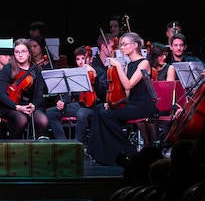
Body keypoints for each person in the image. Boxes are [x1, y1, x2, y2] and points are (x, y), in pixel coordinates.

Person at [86, 31, 156, 166]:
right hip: (131, 103)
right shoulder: (129, 64)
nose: (121, 48)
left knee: (106, 115)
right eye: (121, 45)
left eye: (124, 44)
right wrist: (114, 103)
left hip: (142, 106)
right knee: (100, 109)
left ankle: (129, 150)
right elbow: (125, 93)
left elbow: (128, 85)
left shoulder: (144, 63)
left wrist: (118, 65)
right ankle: (99, 153)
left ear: (135, 45)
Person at [45, 44, 99, 143]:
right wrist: (63, 102)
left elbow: (102, 92)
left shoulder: (98, 71)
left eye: (83, 58)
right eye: (78, 59)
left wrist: (96, 77)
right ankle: (63, 143)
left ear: (90, 59)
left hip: (94, 107)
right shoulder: (75, 73)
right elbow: (69, 92)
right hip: (79, 105)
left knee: (81, 113)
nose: (81, 62)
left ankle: (77, 144)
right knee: (51, 112)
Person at [0, 39, 49, 139]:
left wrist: (33, 105)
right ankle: (14, 148)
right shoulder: (8, 69)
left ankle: (40, 149)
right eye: (17, 52)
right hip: (11, 107)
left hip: (30, 106)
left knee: (43, 120)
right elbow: (1, 95)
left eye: (23, 51)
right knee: (21, 120)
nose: (20, 55)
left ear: (29, 53)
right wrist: (17, 107)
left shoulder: (37, 70)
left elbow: (39, 94)